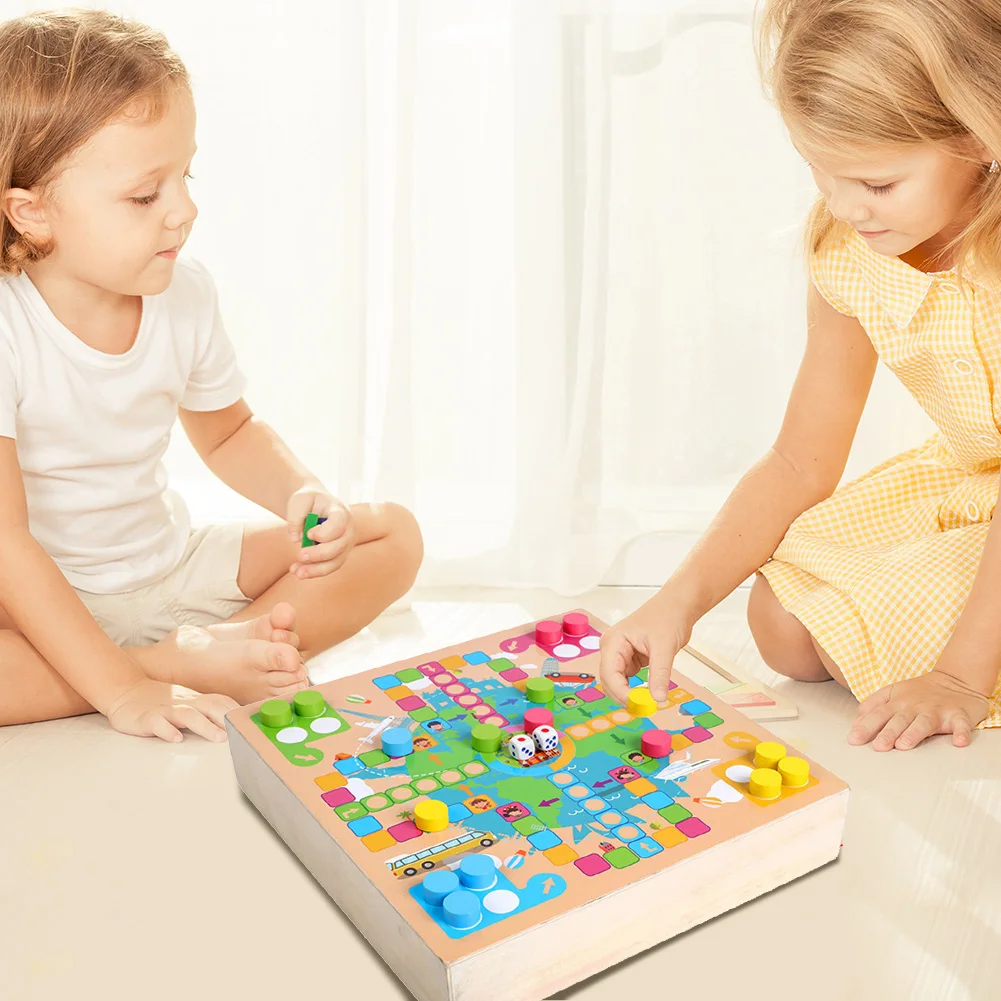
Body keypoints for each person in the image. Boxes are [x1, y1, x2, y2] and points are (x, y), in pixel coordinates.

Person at [0, 10, 422, 742]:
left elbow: (229, 433)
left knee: (392, 537)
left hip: (169, 569)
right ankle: (176, 661)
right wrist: (127, 688)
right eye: (146, 195)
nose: (185, 210)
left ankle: (228, 649)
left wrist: (301, 493)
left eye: (185, 176)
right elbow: (8, 544)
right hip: (33, 601)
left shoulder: (182, 292)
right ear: (32, 213)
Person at [600, 0, 1001, 751]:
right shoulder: (849, 253)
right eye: (819, 171)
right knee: (781, 624)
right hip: (975, 482)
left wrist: (958, 677)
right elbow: (800, 459)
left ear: (978, 135)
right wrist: (676, 602)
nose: (846, 208)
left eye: (876, 184)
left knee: (911, 648)